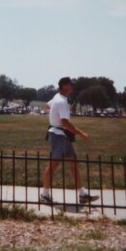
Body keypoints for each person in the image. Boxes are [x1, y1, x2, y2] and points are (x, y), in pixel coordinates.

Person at [40, 77, 99, 205]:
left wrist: (54, 113)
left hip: (62, 135)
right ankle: (44, 194)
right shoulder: (61, 101)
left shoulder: (58, 97)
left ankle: (82, 194)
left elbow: (47, 105)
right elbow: (65, 122)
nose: (72, 86)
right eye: (70, 84)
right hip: (58, 135)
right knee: (53, 165)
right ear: (64, 86)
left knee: (73, 162)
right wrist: (81, 133)